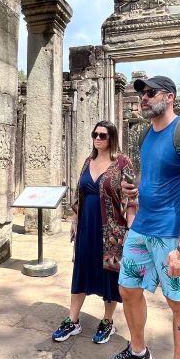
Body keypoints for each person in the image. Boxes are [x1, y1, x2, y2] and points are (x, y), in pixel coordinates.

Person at [102, 76, 180, 359]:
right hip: (142, 229)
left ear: (170, 97)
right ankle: (138, 350)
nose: (143, 98)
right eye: (141, 94)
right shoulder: (147, 136)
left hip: (169, 235)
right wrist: (136, 195)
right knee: (128, 290)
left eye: (150, 93)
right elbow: (151, 177)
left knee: (178, 301)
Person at [53, 121, 137, 344]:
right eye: (95, 134)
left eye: (103, 135)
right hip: (86, 226)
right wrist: (74, 219)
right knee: (81, 268)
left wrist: (131, 229)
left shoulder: (122, 162)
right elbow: (79, 194)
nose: (98, 138)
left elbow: (131, 199)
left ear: (112, 138)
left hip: (112, 229)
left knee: (109, 274)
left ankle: (107, 321)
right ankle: (73, 320)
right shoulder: (88, 161)